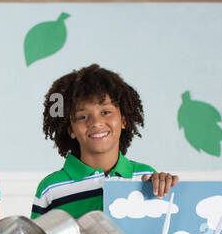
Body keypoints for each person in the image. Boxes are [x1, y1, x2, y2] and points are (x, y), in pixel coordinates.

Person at [31, 64, 178, 220]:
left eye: (106, 112)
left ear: (123, 120)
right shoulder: (51, 188)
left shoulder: (145, 177)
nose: (96, 123)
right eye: (82, 117)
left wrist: (165, 188)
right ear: (71, 130)